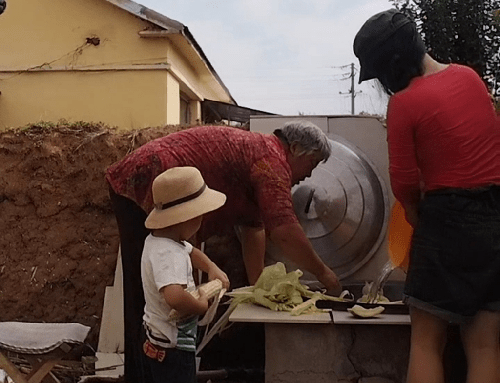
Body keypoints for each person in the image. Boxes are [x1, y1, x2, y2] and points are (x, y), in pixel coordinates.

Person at [106, 120, 342, 383]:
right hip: (151, 175)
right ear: (295, 148)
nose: (309, 175)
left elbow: (255, 228)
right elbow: (284, 231)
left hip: (152, 173)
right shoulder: (272, 161)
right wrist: (326, 275)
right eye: (312, 163)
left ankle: (154, 370)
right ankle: (146, 375)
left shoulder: (263, 155)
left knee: (154, 296)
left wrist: (258, 287)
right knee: (151, 299)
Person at [354, 9, 500, 383]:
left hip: (445, 218)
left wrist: (420, 223)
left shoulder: (404, 103)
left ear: (395, 64)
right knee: (484, 345)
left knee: (425, 342)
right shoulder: (469, 78)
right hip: (493, 219)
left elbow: (402, 184)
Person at [139, 166, 229, 383]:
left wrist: (210, 267)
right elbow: (175, 297)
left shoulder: (160, 241)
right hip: (173, 349)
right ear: (188, 218)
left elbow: (191, 251)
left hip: (158, 339)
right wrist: (201, 304)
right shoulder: (169, 254)